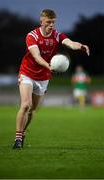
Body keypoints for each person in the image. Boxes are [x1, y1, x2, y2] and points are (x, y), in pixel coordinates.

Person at [13, 9, 90, 149]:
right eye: (48, 22)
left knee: (32, 111)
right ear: (41, 21)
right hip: (27, 73)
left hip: (43, 78)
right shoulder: (32, 36)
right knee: (25, 105)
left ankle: (23, 132)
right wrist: (49, 66)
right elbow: (36, 57)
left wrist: (80, 46)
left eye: (53, 22)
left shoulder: (56, 35)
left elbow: (70, 43)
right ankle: (17, 139)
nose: (51, 25)